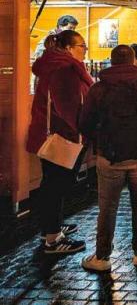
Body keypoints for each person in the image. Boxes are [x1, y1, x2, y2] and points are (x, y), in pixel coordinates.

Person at [78, 45, 137, 271]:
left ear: (111, 61)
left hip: (109, 156)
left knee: (107, 206)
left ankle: (102, 257)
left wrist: (100, 140)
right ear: (134, 61)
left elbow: (85, 123)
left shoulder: (98, 89)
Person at [27, 30, 92, 254]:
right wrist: (81, 130)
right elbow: (68, 107)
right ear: (68, 48)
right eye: (82, 46)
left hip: (53, 135)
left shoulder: (55, 66)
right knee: (56, 186)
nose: (84, 50)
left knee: (52, 185)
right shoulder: (65, 69)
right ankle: (52, 239)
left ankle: (51, 227)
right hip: (61, 138)